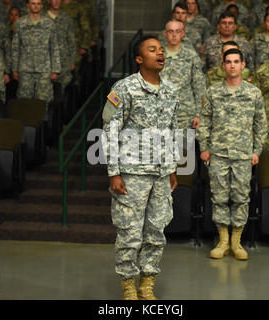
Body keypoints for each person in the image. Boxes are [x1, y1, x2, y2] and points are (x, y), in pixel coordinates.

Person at [101, 35, 179, 300]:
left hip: (160, 174)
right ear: (139, 59)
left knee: (156, 232)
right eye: (152, 49)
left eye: (162, 50)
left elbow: (171, 131)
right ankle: (128, 287)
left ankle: (147, 284)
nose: (160, 53)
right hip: (132, 173)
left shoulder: (171, 91)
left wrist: (172, 168)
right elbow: (110, 130)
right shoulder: (124, 88)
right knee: (130, 232)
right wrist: (114, 172)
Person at [197, 48, 268, 261]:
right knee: (218, 196)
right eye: (228, 62)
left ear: (243, 65)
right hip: (218, 153)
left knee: (240, 197)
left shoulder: (253, 93)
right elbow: (204, 122)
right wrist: (204, 148)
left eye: (237, 61)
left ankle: (237, 241)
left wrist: (256, 150)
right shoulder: (213, 92)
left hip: (243, 154)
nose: (233, 65)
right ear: (223, 66)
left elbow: (261, 124)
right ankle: (223, 240)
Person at [11, 0, 61, 104]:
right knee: (24, 101)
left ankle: (43, 121)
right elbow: (15, 48)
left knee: (43, 101)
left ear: (42, 6)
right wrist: (14, 69)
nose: (36, 6)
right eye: (33, 3)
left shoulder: (49, 24)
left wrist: (55, 70)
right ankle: (25, 120)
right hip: (25, 69)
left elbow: (54, 47)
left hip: (44, 69)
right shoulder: (20, 23)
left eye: (38, 4)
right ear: (28, 5)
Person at [160, 20, 205, 133]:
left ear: (183, 33)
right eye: (170, 31)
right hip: (160, 113)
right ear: (165, 34)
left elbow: (199, 86)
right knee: (159, 149)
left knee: (184, 150)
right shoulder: (158, 55)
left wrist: (198, 114)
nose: (174, 35)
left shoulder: (191, 55)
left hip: (185, 114)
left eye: (177, 31)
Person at [46, 0, 76, 94]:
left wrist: (72, 60)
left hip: (63, 63)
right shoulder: (43, 18)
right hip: (46, 63)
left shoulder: (66, 19)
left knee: (60, 94)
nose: (56, 2)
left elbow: (71, 42)